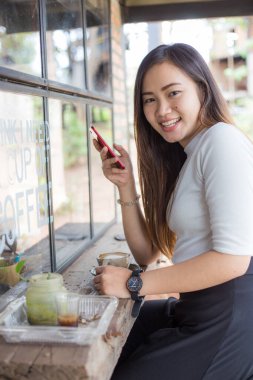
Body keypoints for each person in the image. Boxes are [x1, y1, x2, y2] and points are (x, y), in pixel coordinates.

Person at [92, 43, 253, 380]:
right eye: (150, 99)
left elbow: (233, 259)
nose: (162, 109)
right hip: (196, 307)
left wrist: (135, 283)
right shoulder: (189, 155)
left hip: (229, 315)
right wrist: (126, 187)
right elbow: (148, 251)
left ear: (202, 90)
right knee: (108, 338)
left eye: (173, 93)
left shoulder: (221, 141)